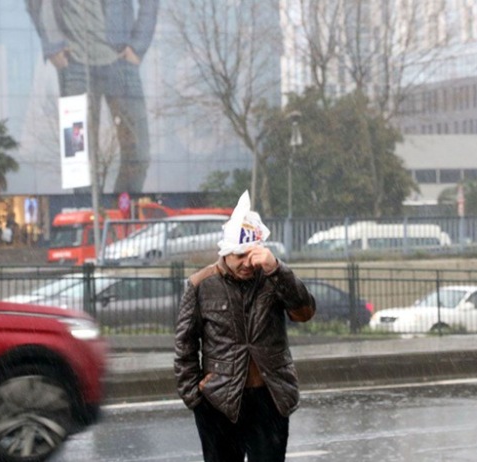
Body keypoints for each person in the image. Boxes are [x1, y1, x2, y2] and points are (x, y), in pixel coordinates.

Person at [174, 191, 316, 462]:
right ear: (226, 252)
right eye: (239, 255)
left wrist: (277, 269)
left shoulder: (273, 277)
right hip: (219, 400)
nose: (246, 263)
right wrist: (195, 398)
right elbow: (185, 346)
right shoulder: (201, 284)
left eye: (251, 254)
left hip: (270, 397)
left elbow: (304, 312)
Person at [26, 0, 159, 193]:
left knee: (139, 153)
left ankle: (120, 214)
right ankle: (88, 218)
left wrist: (138, 45)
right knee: (77, 158)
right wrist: (53, 46)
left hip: (121, 61)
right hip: (74, 67)